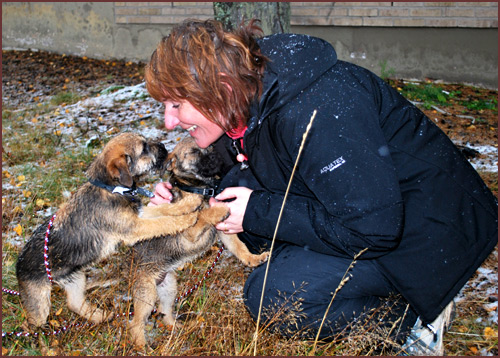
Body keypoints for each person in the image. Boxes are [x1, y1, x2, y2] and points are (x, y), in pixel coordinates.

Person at [144, 19, 498, 355]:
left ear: (220, 86)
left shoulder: (318, 110)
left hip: (426, 233)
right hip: (369, 214)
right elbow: (237, 171)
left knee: (274, 295)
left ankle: (415, 320)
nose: (169, 122)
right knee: (258, 227)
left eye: (177, 105)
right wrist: (183, 200)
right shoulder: (244, 101)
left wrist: (257, 211)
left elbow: (374, 231)